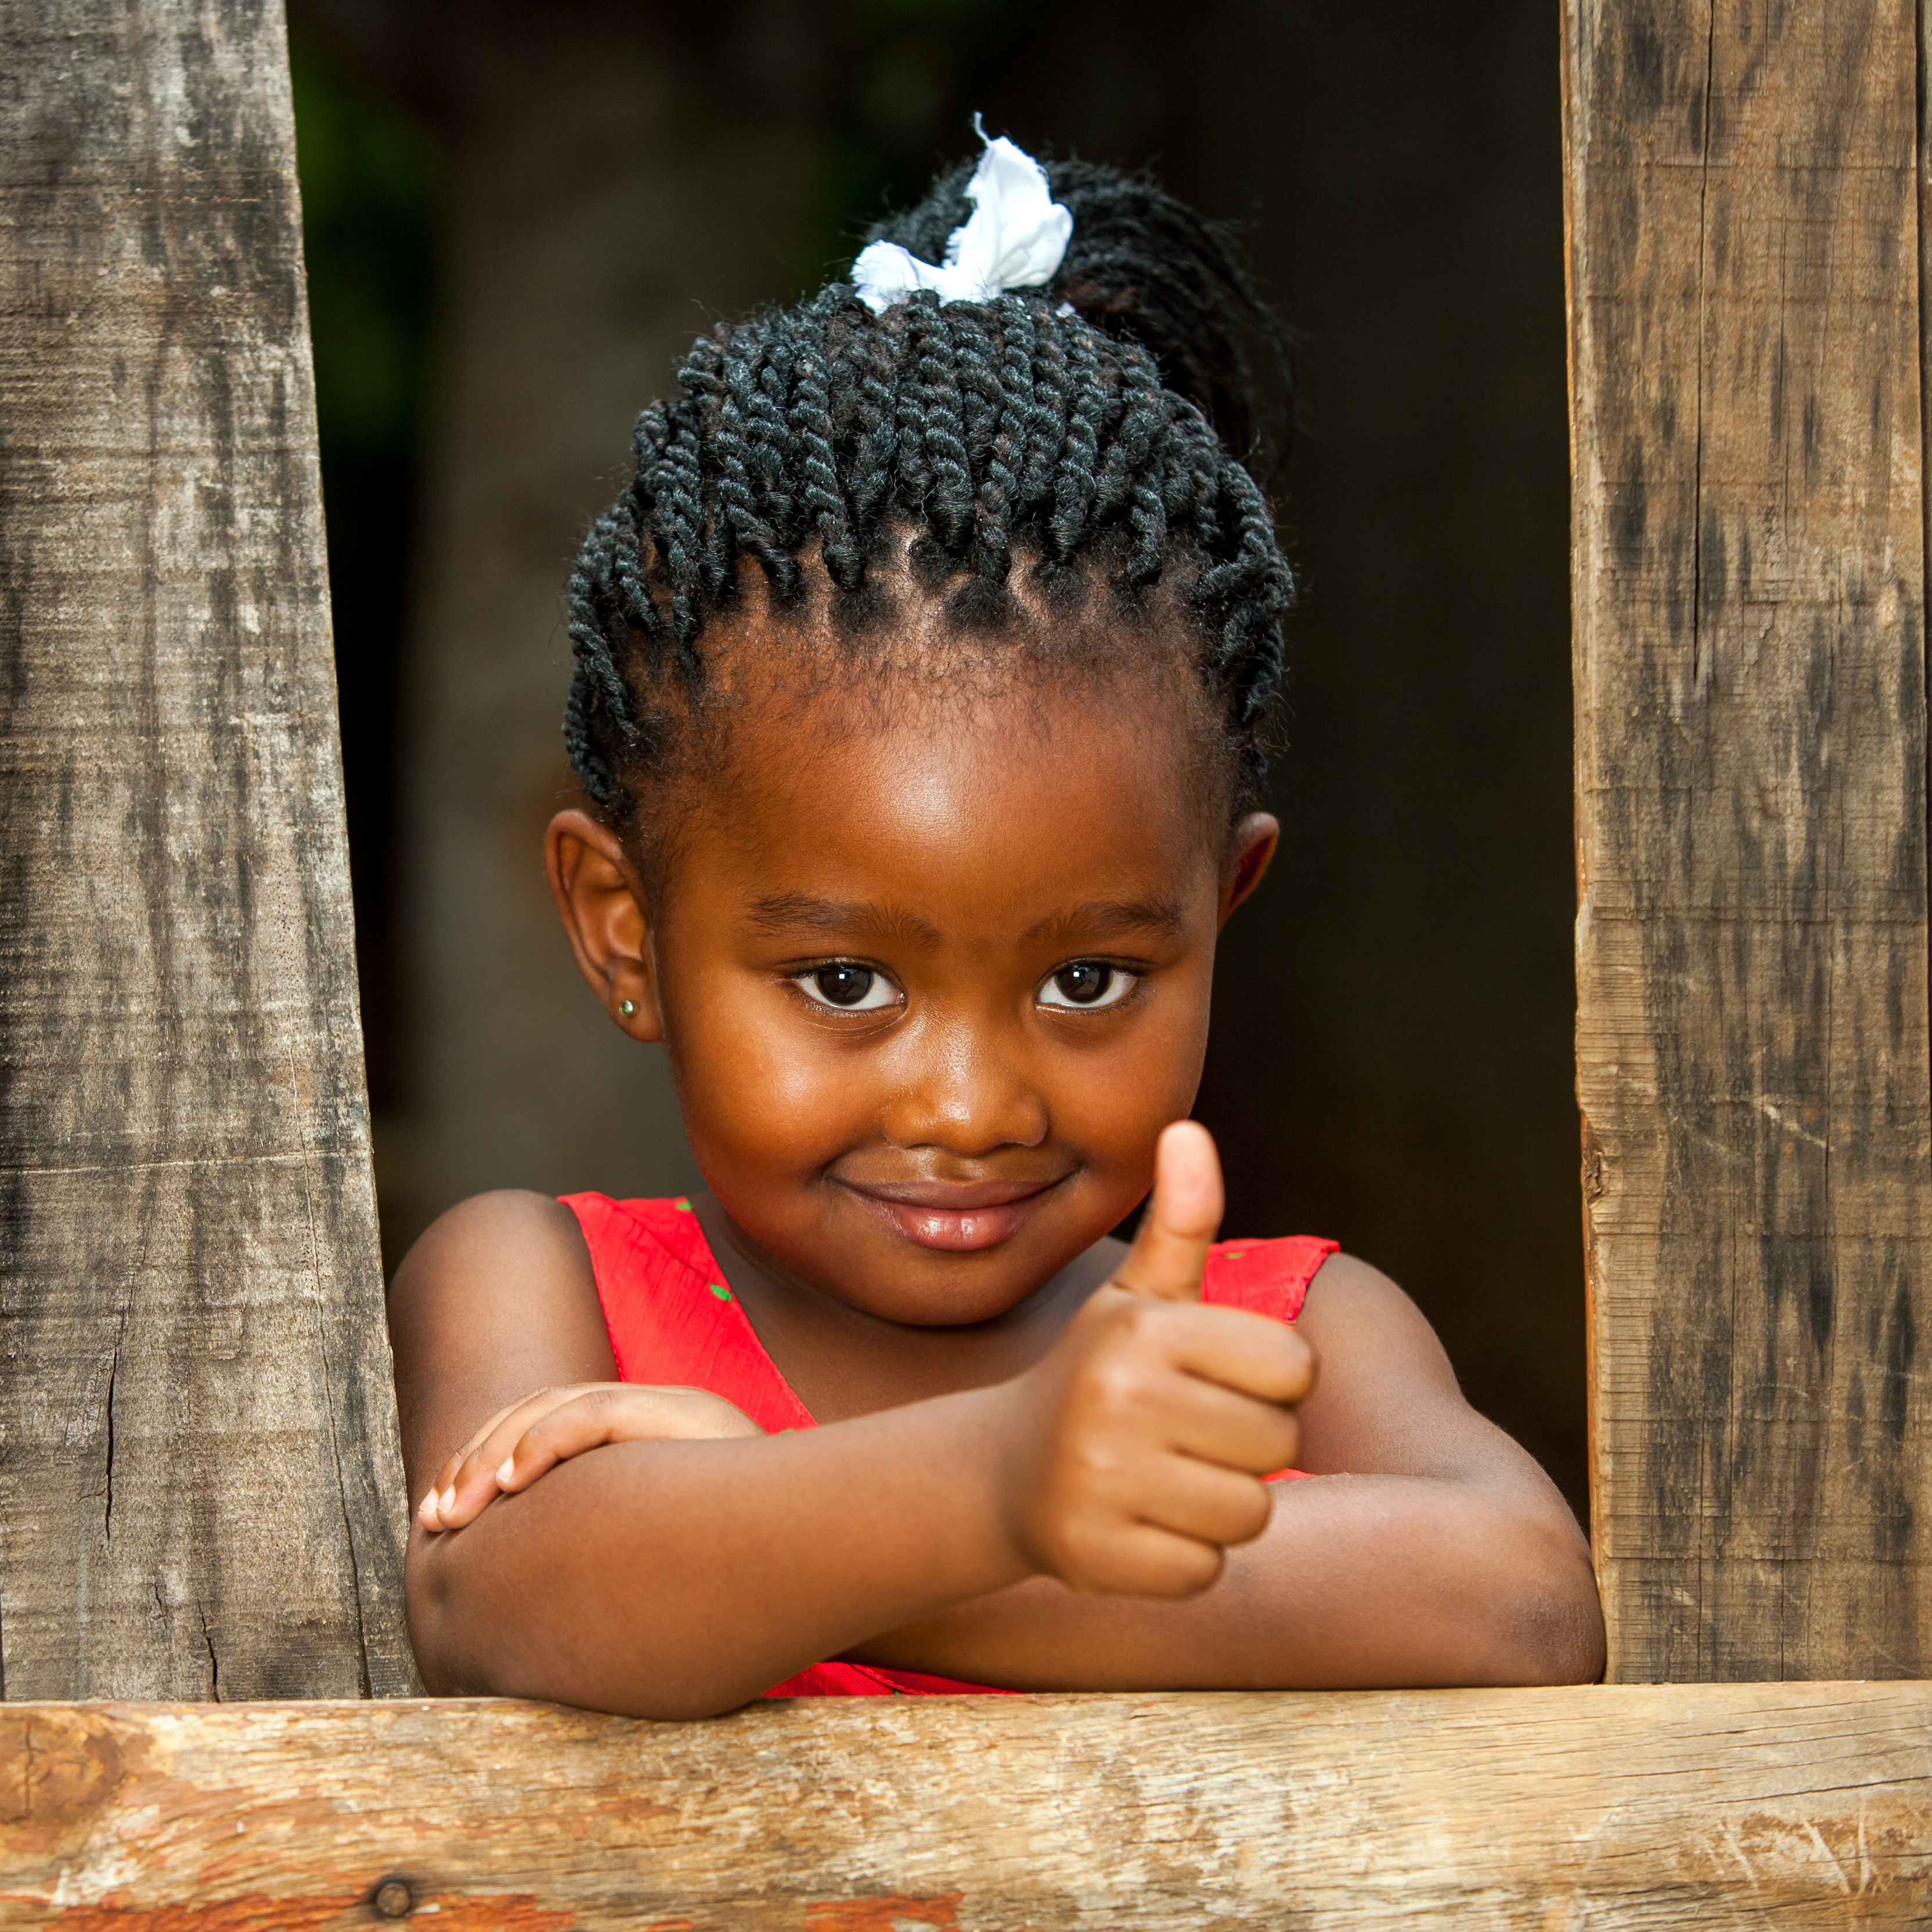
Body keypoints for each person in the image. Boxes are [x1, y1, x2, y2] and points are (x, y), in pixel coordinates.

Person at [390, 131, 1605, 1718]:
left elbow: (1518, 1604)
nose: (972, 1106)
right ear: (623, 928)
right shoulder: (536, 1283)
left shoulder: (1289, 1338)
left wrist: (872, 1522)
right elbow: (516, 1591)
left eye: (1090, 977)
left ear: (1225, 908)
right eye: (844, 980)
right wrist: (1000, 1495)